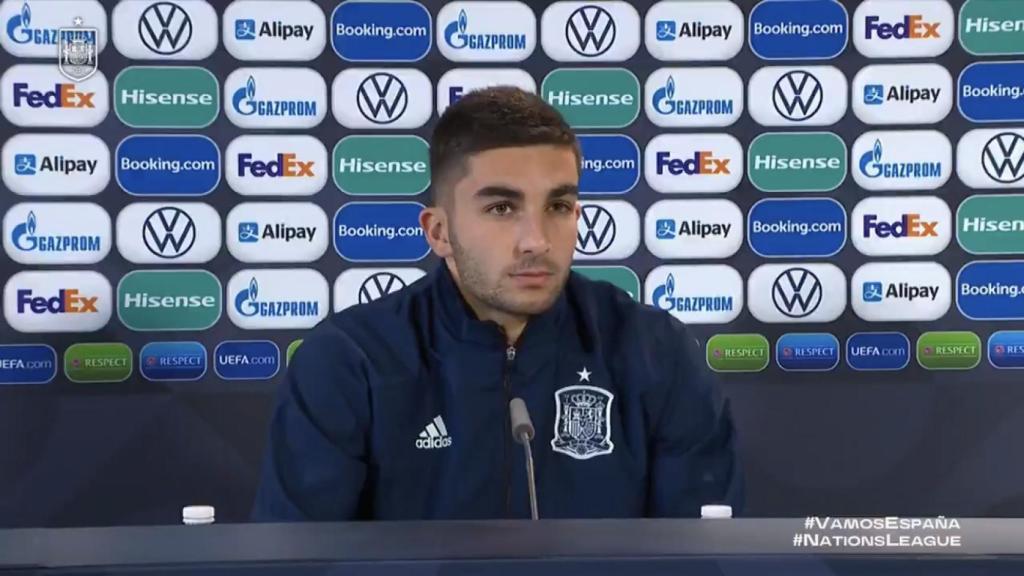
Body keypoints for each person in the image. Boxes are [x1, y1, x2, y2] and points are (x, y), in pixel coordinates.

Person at [251, 86, 744, 521]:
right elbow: (296, 561)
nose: (537, 241)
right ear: (439, 232)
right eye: (501, 208)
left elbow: (703, 555)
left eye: (559, 206)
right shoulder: (349, 361)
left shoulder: (656, 351)